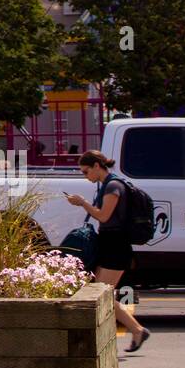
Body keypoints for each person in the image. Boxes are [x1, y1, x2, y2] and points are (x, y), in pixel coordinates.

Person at [65, 149, 149, 351]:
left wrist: (82, 203)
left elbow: (103, 216)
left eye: (86, 172)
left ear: (96, 166)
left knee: (100, 294)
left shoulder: (113, 186)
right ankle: (137, 330)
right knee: (103, 294)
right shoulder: (108, 185)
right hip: (111, 244)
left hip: (116, 246)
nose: (86, 177)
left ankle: (121, 334)